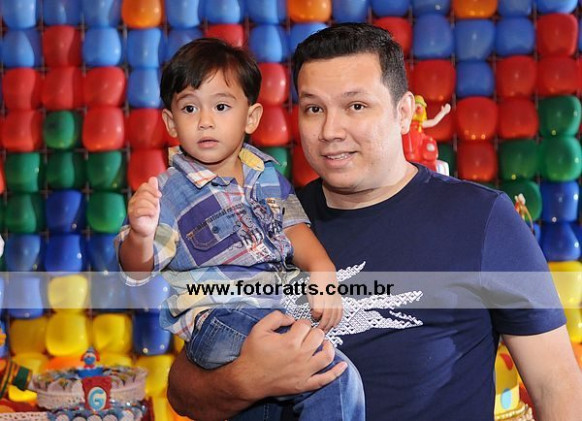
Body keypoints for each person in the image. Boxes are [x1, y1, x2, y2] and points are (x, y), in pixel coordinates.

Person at [167, 24, 582, 421]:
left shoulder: (482, 219)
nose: (330, 130)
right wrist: (246, 380)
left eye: (356, 106)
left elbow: (556, 385)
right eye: (314, 109)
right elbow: (184, 390)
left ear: (403, 113)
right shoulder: (260, 216)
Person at [115, 38, 364, 420]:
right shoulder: (167, 193)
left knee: (268, 407)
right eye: (189, 108)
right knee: (331, 373)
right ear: (170, 122)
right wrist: (141, 235)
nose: (205, 120)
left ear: (251, 117)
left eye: (221, 106)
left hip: (271, 311)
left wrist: (322, 268)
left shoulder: (269, 177)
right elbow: (136, 270)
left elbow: (294, 228)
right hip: (220, 321)